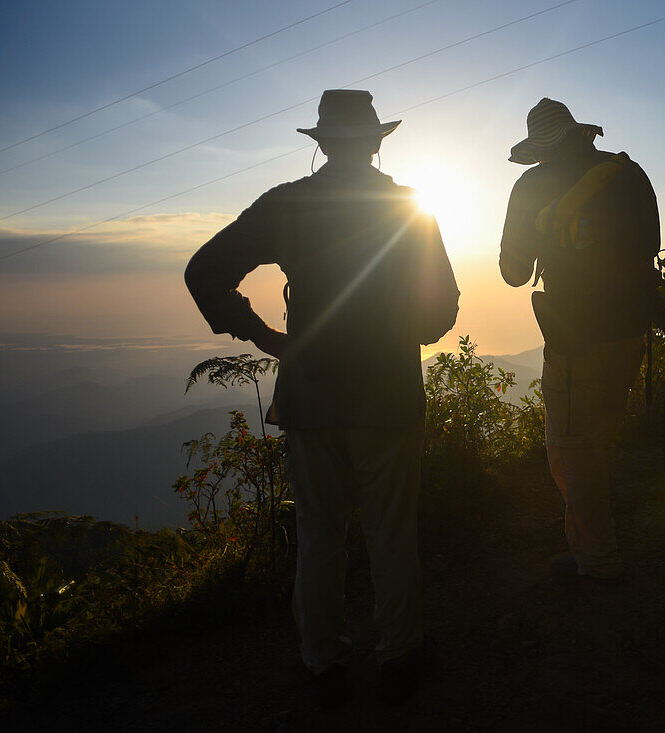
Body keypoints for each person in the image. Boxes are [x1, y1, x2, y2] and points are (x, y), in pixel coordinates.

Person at [184, 89, 459, 704]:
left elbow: (202, 271)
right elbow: (443, 307)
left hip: (309, 396)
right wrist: (399, 340)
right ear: (377, 142)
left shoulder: (287, 205)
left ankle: (322, 662)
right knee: (390, 532)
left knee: (318, 534)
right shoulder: (409, 209)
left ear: (323, 144)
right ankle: (401, 655)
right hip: (387, 398)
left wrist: (264, 335)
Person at [498, 97, 662, 583]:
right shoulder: (628, 174)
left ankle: (597, 560)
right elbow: (649, 249)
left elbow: (512, 273)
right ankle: (602, 538)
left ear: (539, 146)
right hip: (632, 330)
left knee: (573, 448)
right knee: (602, 438)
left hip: (576, 340)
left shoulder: (531, 184)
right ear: (577, 132)